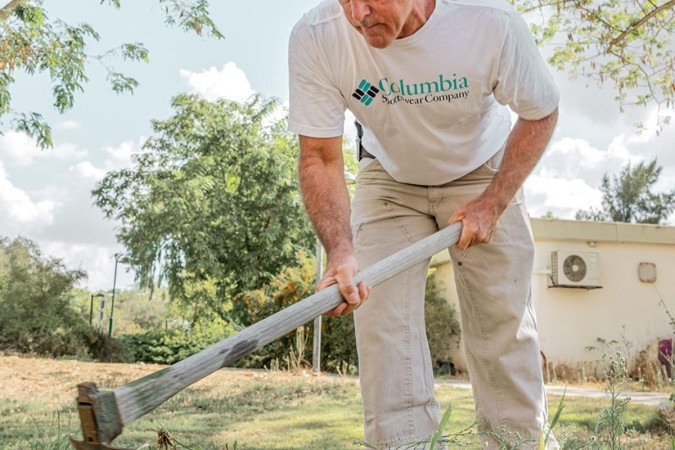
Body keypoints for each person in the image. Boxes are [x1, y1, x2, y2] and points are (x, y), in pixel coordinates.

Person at [287, 0, 560, 448]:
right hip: (389, 177)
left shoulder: (489, 22)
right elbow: (318, 155)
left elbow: (541, 112)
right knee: (382, 327)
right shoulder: (317, 36)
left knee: (503, 328)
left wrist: (493, 203)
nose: (357, 14)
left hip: (481, 170)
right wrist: (341, 250)